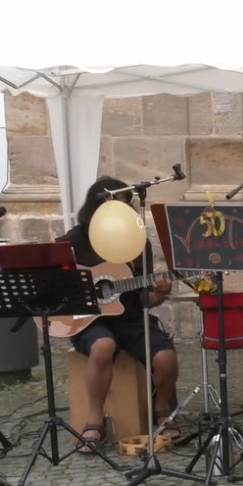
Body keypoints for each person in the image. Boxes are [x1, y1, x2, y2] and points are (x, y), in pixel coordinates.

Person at [59, 176, 180, 452]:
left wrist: (159, 294)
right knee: (103, 345)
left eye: (123, 209)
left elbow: (144, 298)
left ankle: (161, 408)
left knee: (166, 357)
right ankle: (94, 422)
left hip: (130, 318)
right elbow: (54, 277)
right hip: (89, 320)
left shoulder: (138, 244)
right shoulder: (76, 240)